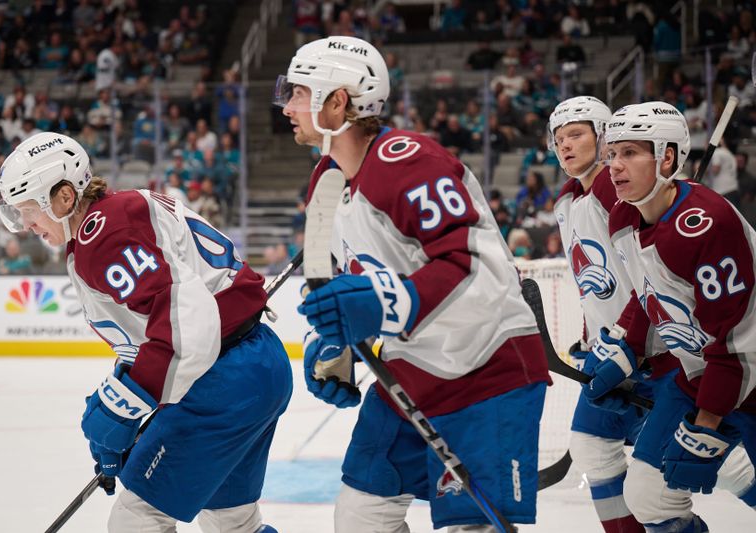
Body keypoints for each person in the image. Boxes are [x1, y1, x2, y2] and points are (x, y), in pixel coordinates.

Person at [276, 35, 551, 532]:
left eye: (296, 92)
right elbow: (328, 278)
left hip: (486, 369)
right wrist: (331, 339)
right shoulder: (325, 182)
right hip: (411, 370)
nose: (286, 106)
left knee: (472, 527)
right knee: (361, 516)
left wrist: (385, 303)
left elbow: (470, 263)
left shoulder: (408, 161)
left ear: (336, 101)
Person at [0, 132, 290, 533]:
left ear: (64, 197)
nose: (27, 225)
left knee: (137, 521)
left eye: (30, 210)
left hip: (224, 379)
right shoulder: (113, 219)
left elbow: (186, 324)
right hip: (254, 365)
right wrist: (124, 388)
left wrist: (123, 407)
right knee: (232, 522)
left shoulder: (103, 235)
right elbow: (159, 322)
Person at [589, 102, 756, 532]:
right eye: (612, 153)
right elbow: (650, 297)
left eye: (630, 153)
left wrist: (708, 423)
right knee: (648, 495)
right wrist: (626, 351)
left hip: (748, 374)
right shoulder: (626, 218)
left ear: (667, 157)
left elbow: (740, 341)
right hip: (705, 372)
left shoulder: (708, 224)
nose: (614, 165)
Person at [548, 96, 683, 533]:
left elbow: (646, 275)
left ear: (604, 136)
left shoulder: (612, 187)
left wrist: (623, 335)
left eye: (576, 134)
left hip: (655, 352)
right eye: (558, 139)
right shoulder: (567, 202)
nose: (565, 145)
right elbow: (598, 280)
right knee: (592, 450)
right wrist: (590, 336)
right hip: (608, 353)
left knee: (710, 469)